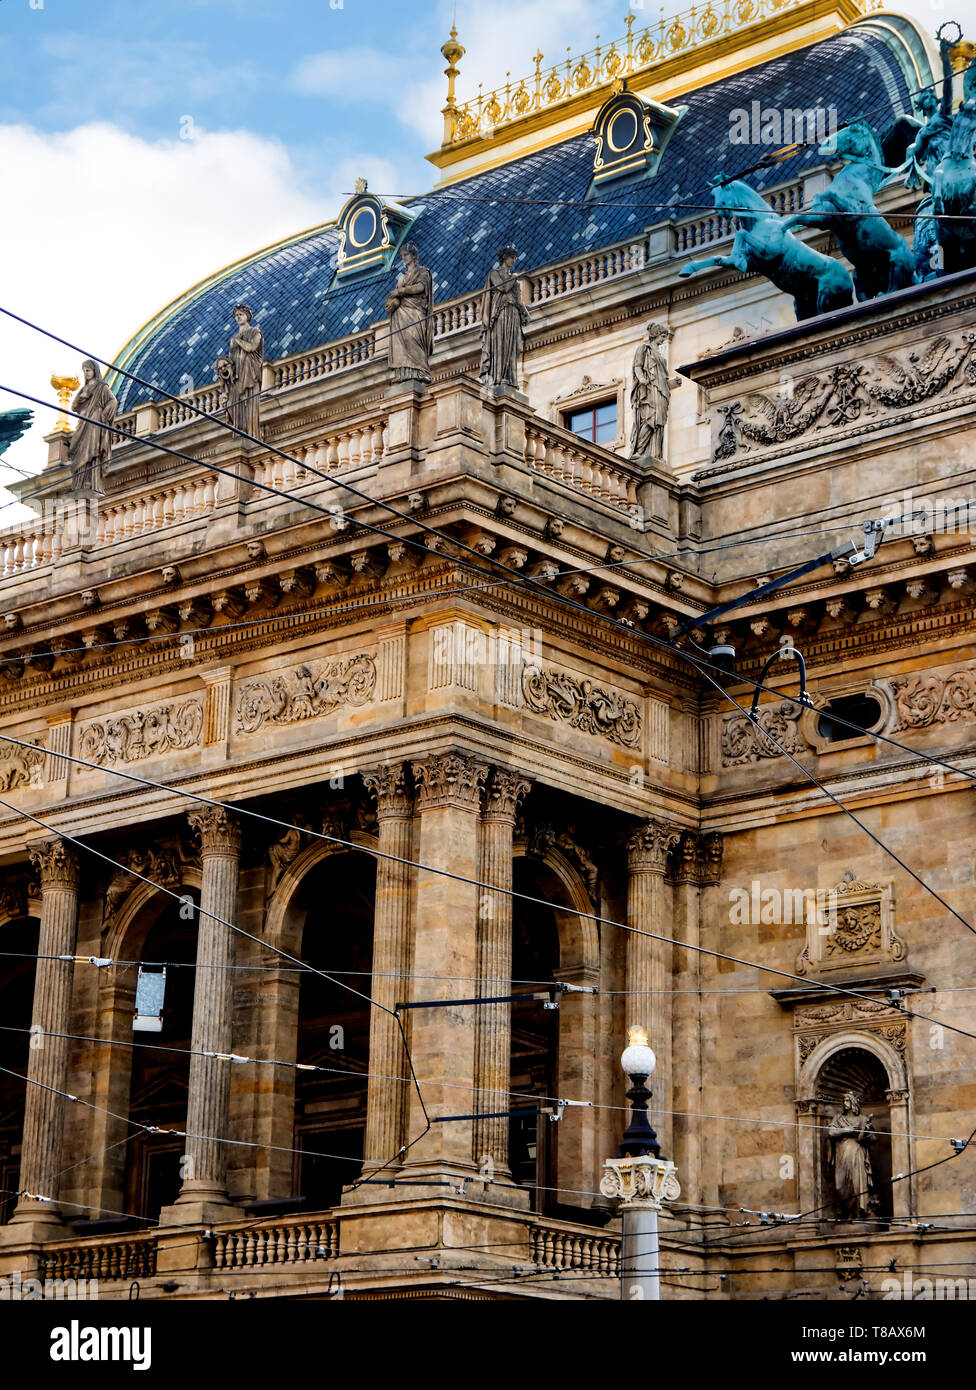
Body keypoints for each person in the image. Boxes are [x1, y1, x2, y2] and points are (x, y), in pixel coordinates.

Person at [479, 246, 530, 389]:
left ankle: (510, 378)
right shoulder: (494, 274)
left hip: (513, 313)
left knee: (510, 346)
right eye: (511, 257)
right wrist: (513, 278)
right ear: (504, 258)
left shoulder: (514, 279)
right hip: (499, 313)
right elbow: (503, 288)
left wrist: (526, 314)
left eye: (514, 257)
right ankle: (498, 377)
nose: (513, 260)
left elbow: (519, 300)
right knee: (500, 344)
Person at [630, 322, 679, 459]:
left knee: (659, 423)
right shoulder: (643, 349)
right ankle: (639, 451)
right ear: (656, 335)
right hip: (648, 391)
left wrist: (672, 383)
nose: (663, 340)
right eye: (662, 336)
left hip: (661, 392)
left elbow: (661, 379)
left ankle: (656, 455)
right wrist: (641, 379)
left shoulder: (661, 355)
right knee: (649, 419)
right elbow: (637, 367)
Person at [67, 359, 118, 494]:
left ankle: (92, 481)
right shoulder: (84, 388)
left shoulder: (102, 387)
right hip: (84, 422)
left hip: (95, 422)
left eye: (88, 370)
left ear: (94, 370)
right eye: (84, 371)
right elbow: (74, 406)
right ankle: (79, 482)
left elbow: (113, 401)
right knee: (79, 451)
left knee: (92, 451)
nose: (86, 373)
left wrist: (102, 415)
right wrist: (81, 397)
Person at [386, 243, 433, 382]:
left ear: (414, 255)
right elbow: (394, 296)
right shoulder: (402, 277)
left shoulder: (423, 272)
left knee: (414, 339)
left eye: (406, 255)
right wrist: (391, 302)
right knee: (402, 342)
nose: (404, 258)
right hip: (401, 313)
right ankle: (404, 373)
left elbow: (420, 287)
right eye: (402, 256)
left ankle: (421, 370)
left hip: (415, 311)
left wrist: (401, 291)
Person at [828, 1091, 877, 1219]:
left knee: (857, 1184)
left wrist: (866, 1132)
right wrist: (846, 1130)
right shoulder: (838, 1118)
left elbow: (874, 1140)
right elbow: (831, 1133)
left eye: (848, 1101)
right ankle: (845, 1211)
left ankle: (857, 1213)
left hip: (858, 1152)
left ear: (854, 1102)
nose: (845, 1103)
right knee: (840, 1185)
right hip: (842, 1154)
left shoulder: (862, 1119)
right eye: (844, 1101)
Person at [227, 304, 264, 438]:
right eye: (236, 315)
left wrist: (238, 340)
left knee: (250, 402)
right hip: (237, 377)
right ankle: (240, 431)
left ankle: (252, 433)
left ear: (247, 316)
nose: (238, 317)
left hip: (250, 374)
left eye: (240, 314)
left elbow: (252, 347)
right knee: (237, 404)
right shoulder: (233, 340)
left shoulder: (255, 332)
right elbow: (231, 360)